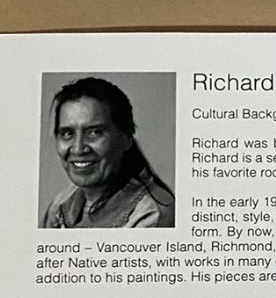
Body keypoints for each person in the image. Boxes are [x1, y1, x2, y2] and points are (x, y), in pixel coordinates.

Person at [40, 77, 175, 229]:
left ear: (126, 138)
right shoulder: (62, 204)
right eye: (67, 133)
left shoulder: (150, 215)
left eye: (94, 132)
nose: (78, 149)